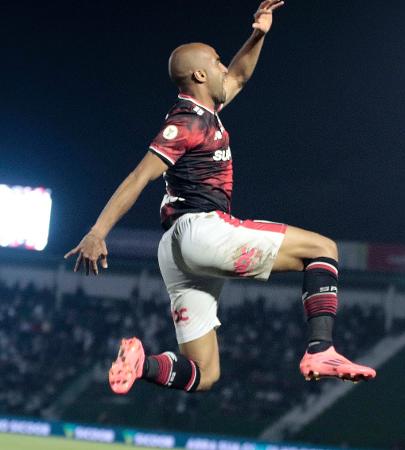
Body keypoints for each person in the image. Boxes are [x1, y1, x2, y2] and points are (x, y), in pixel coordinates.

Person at [65, 0, 376, 394]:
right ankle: (321, 349)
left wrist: (258, 34)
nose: (223, 66)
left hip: (176, 250)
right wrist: (98, 231)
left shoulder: (207, 110)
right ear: (198, 74)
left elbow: (240, 77)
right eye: (215, 61)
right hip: (203, 231)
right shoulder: (187, 122)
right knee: (323, 249)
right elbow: (139, 175)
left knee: (204, 373)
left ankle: (143, 364)